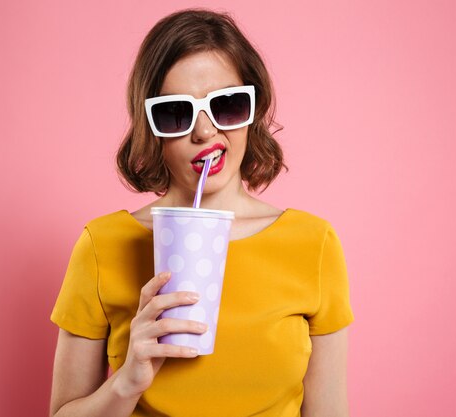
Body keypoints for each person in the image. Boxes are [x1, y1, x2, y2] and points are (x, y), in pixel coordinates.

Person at [49, 8, 354, 417]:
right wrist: (126, 382)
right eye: (176, 112)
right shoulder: (102, 246)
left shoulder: (313, 244)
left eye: (226, 105)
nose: (204, 132)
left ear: (254, 109)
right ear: (152, 126)